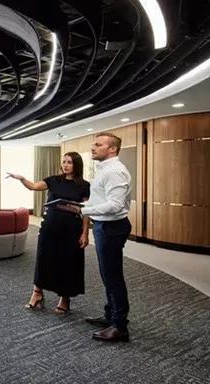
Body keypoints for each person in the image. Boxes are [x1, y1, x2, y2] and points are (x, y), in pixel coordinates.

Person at [60, 132, 132, 343]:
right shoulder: (104, 169)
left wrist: (82, 210)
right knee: (107, 275)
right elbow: (101, 199)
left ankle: (120, 326)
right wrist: (81, 206)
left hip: (111, 228)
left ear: (112, 149)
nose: (93, 148)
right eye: (94, 144)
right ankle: (110, 316)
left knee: (113, 277)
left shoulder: (115, 172)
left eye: (98, 145)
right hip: (103, 225)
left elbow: (115, 205)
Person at [6, 152, 90, 315]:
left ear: (77, 165)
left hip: (71, 228)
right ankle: (37, 293)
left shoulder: (84, 185)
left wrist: (85, 233)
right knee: (44, 258)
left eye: (69, 162)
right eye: (64, 162)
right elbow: (34, 186)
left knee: (68, 262)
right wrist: (22, 178)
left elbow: (87, 211)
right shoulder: (53, 180)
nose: (65, 165)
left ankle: (65, 298)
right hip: (50, 226)